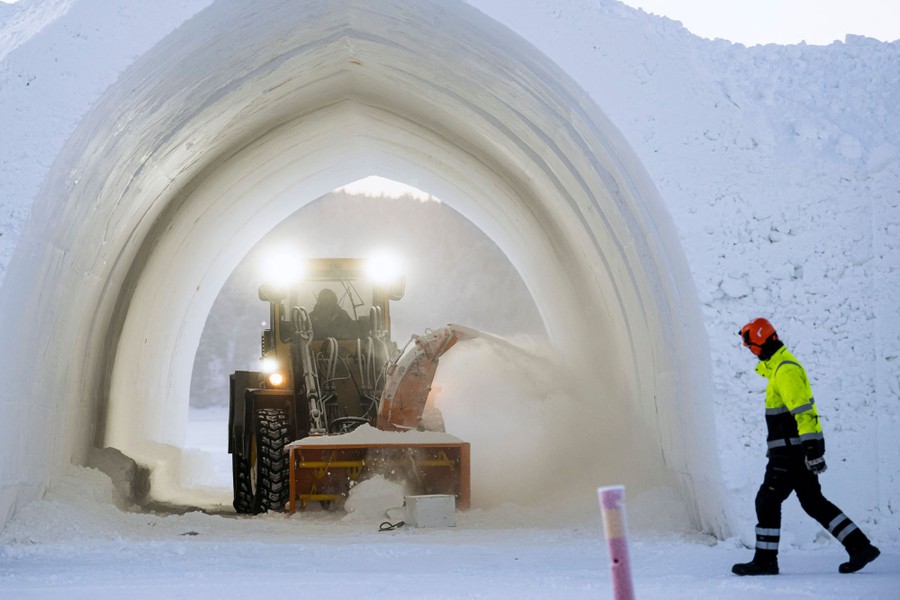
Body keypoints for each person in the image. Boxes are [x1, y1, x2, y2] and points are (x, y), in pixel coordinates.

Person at [731, 318, 880, 576]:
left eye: (751, 346)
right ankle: (860, 547)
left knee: (766, 500)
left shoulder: (785, 371)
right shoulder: (779, 367)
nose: (751, 352)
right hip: (794, 451)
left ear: (761, 343)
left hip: (790, 453)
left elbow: (803, 411)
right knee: (813, 502)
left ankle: (765, 561)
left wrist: (812, 449)